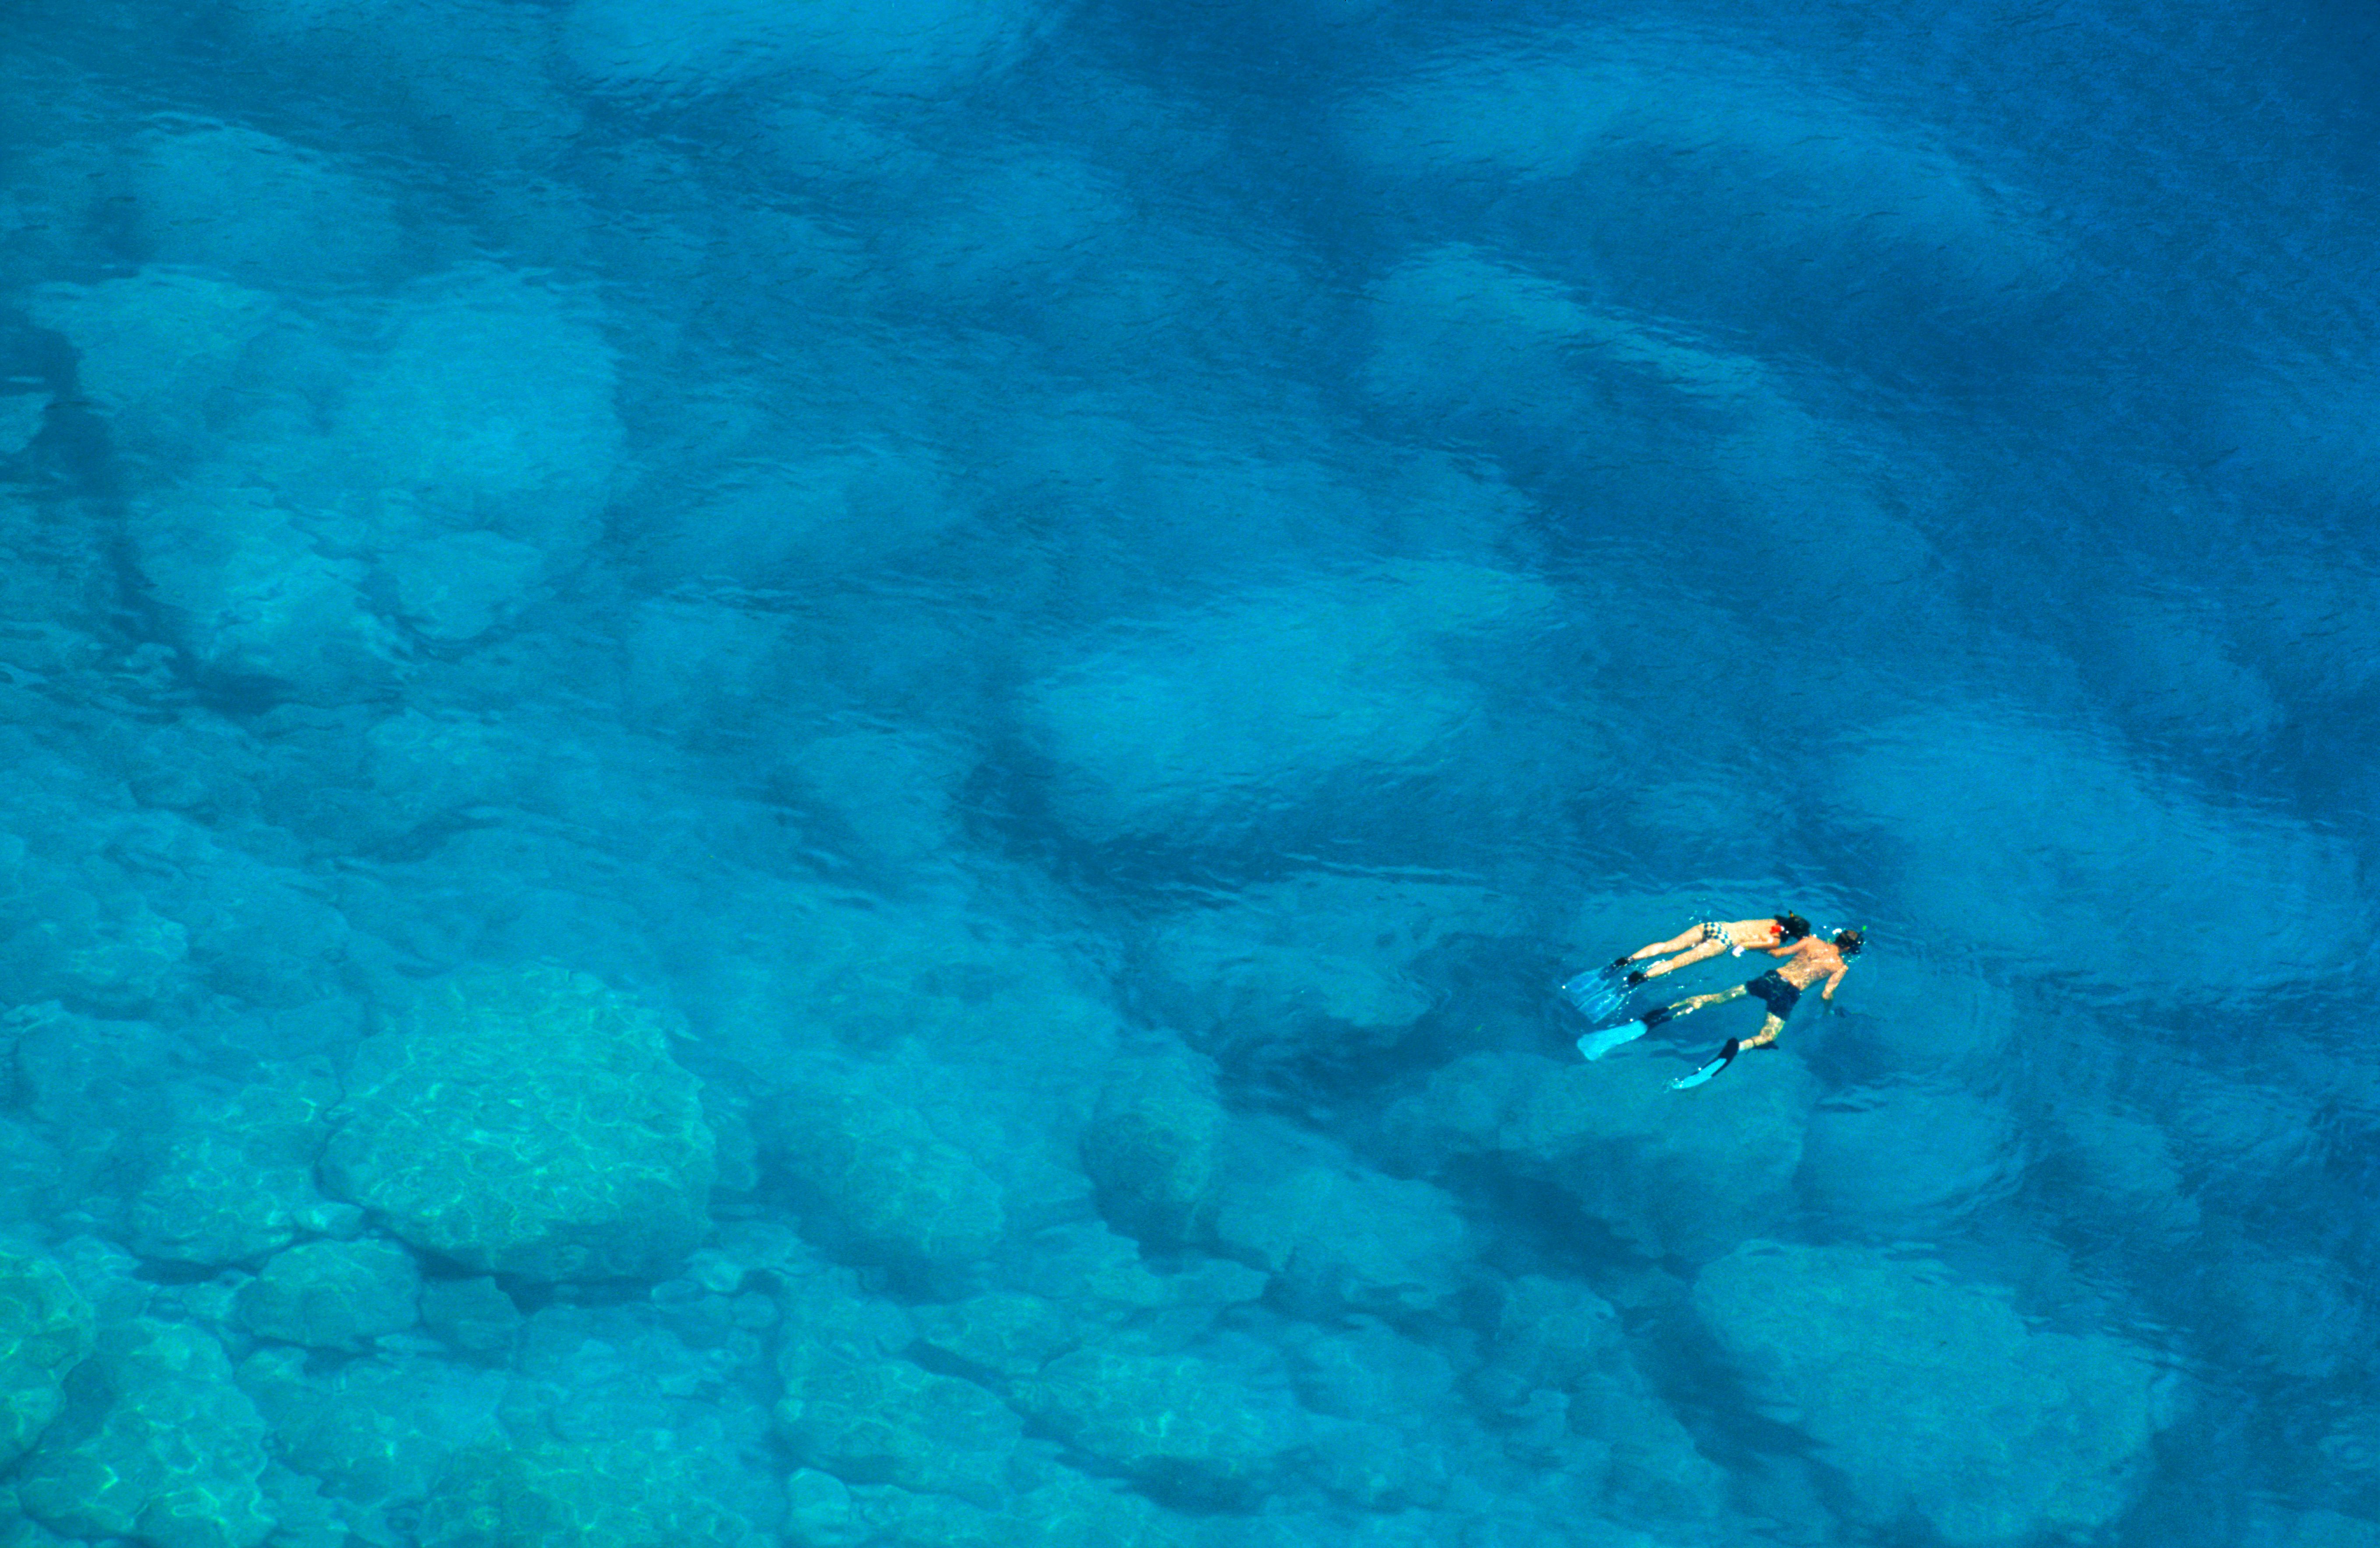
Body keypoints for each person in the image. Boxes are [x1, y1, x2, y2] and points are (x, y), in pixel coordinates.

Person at [1638, 928, 1863, 1088]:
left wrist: (1751, 947)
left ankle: (1669, 1009)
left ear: (1837, 937)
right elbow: (1826, 994)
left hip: (1771, 979)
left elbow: (1777, 953)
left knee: (1716, 998)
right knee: (1767, 1037)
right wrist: (1825, 1009)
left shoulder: (1811, 942)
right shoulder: (1840, 967)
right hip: (1788, 995)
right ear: (1850, 949)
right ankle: (1738, 1048)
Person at [1608, 913, 1812, 986]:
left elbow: (1759, 932)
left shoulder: (1772, 921)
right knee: (1676, 962)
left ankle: (1627, 960)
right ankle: (1640, 978)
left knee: (1667, 946)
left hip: (1717, 926)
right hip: (1723, 941)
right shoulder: (1776, 940)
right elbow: (1745, 945)